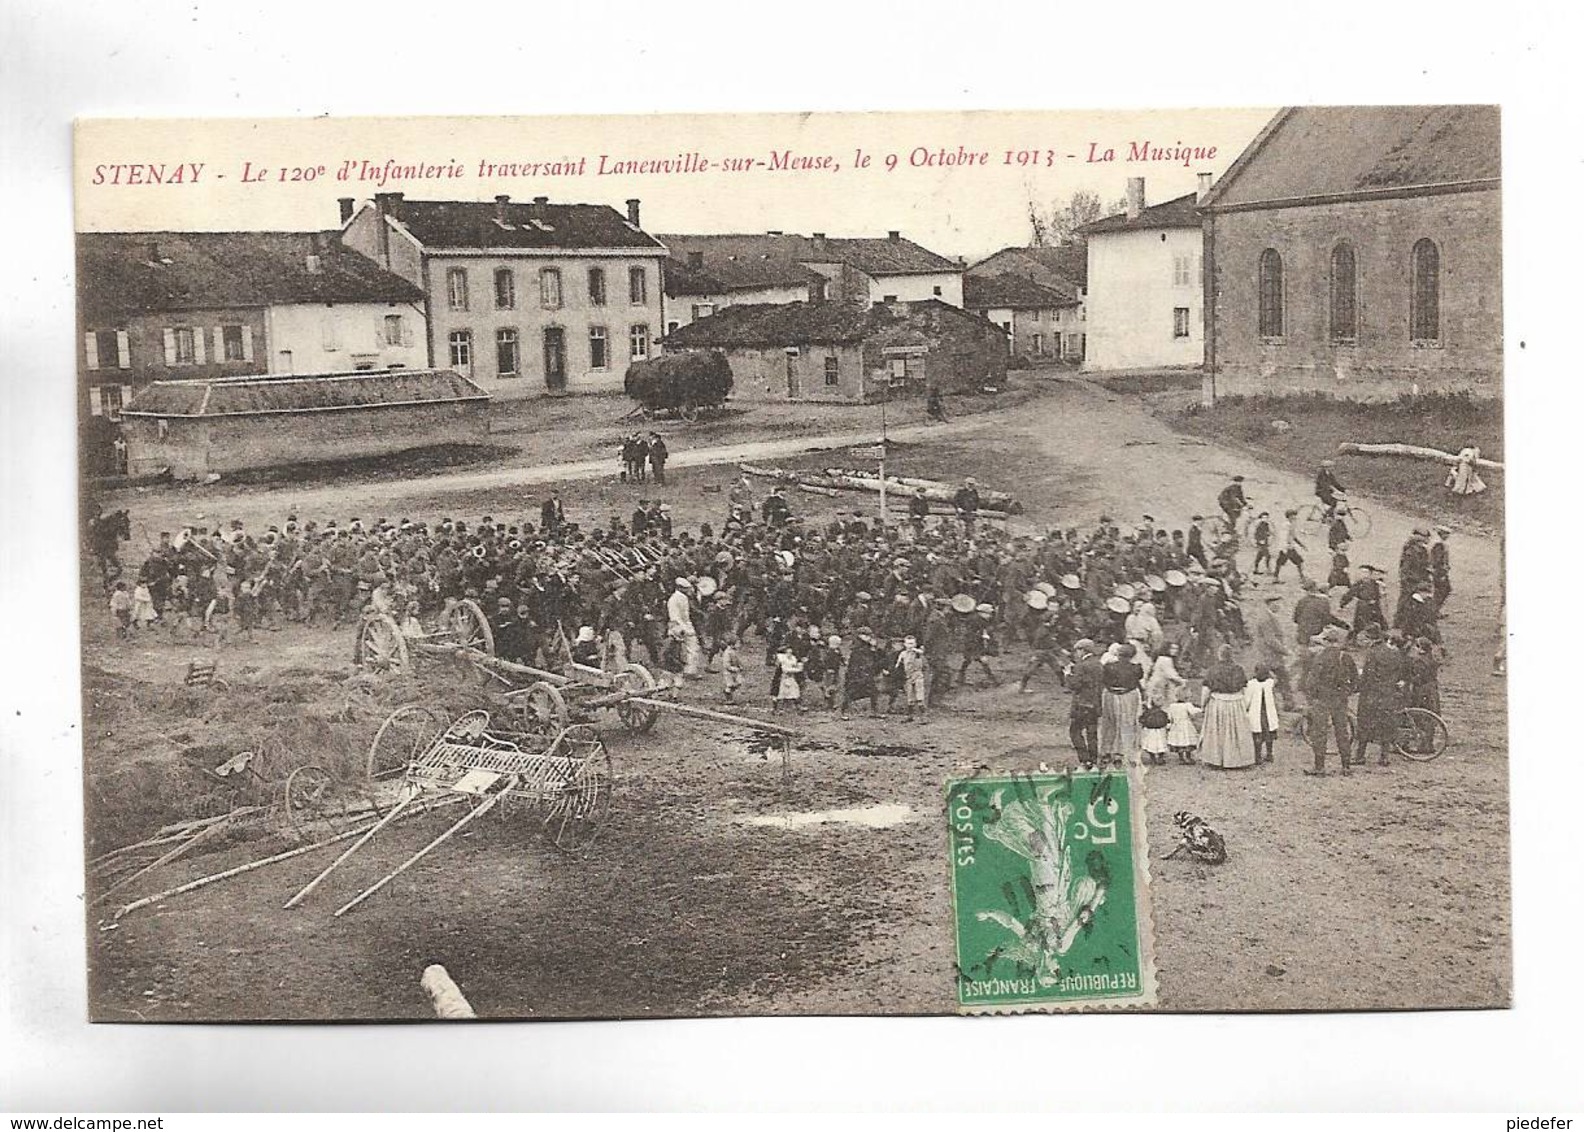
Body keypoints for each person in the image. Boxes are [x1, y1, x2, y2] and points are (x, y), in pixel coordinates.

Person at [1302, 626, 1357, 776]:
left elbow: (1312, 681)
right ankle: (1346, 767)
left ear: (1326, 642)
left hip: (1322, 699)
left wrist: (1312, 696)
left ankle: (1319, 767)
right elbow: (1354, 678)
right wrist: (1347, 691)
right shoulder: (1345, 657)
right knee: (1342, 732)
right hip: (1340, 699)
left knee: (1320, 733)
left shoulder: (1320, 657)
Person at [1354, 630, 1408, 767]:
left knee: (1365, 723)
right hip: (1388, 694)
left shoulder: (1373, 653)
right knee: (1386, 724)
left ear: (1370, 639)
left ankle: (1360, 756)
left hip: (1371, 694)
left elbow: (1368, 676)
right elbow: (1400, 672)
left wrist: (1356, 687)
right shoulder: (1395, 653)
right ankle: (1384, 757)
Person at [1198, 646, 1255, 769]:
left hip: (1218, 703)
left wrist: (1203, 705)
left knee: (1218, 731)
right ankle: (1237, 760)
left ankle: (1216, 759)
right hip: (1236, 702)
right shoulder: (1239, 669)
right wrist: (1245, 705)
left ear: (1219, 655)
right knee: (1235, 731)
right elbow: (1245, 689)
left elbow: (1206, 690)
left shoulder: (1213, 670)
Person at [1099, 642, 1144, 767]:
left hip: (1111, 694)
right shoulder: (1136, 668)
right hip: (1128, 695)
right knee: (1127, 723)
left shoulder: (1109, 666)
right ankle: (1122, 751)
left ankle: (1106, 751)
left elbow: (1104, 680)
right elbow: (1138, 680)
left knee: (1109, 723)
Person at [1067, 638, 1104, 769]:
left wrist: (1068, 675)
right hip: (1095, 703)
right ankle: (1093, 759)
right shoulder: (1098, 664)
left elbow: (1075, 685)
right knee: (1092, 733)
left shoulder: (1081, 666)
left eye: (1077, 650)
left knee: (1074, 731)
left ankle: (1084, 759)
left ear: (1083, 650)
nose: (1076, 653)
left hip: (1082, 704)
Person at [841, 627, 881, 719]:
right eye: (866, 635)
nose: (869, 637)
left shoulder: (867, 646)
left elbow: (874, 659)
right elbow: (858, 661)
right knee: (851, 692)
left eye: (869, 635)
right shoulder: (857, 647)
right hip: (856, 674)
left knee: (873, 691)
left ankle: (874, 711)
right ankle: (842, 711)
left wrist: (873, 648)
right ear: (860, 636)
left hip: (866, 672)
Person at [1245, 663, 1280, 764]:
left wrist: (1245, 709)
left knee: (1257, 735)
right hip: (1268, 713)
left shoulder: (1251, 684)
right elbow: (1275, 679)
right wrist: (1270, 674)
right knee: (1269, 734)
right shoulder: (1269, 682)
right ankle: (1269, 754)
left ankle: (1258, 757)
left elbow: (1247, 699)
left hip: (1257, 713)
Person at [895, 635, 929, 723]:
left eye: (912, 643)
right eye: (908, 644)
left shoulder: (917, 653)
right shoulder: (903, 654)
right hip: (908, 677)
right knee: (910, 698)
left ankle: (924, 717)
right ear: (905, 644)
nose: (910, 645)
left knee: (920, 697)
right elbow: (898, 664)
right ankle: (909, 716)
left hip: (918, 676)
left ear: (915, 644)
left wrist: (915, 650)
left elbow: (921, 652)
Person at [1166, 688, 1203, 764]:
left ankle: (1181, 758)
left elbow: (1170, 717)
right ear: (1187, 697)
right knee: (1187, 741)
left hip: (1176, 726)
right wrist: (1201, 709)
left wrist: (1170, 725)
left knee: (1178, 741)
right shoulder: (1187, 705)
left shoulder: (1172, 706)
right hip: (1185, 725)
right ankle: (1188, 757)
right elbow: (1193, 712)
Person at [1272, 509, 1306, 582]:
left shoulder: (1291, 525)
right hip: (1287, 547)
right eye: (1293, 516)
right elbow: (1284, 536)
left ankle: (1275, 577)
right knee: (1298, 561)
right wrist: (1285, 547)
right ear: (1289, 516)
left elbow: (1293, 536)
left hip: (1288, 547)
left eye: (1295, 516)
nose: (1294, 517)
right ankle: (1302, 577)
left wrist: (1301, 545)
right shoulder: (1286, 525)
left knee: (1281, 562)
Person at [772, 644, 804, 712]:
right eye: (788, 652)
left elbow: (797, 666)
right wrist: (797, 670)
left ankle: (797, 706)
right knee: (781, 693)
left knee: (795, 691)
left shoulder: (792, 658)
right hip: (783, 678)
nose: (789, 654)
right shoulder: (782, 660)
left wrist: (799, 666)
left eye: (791, 652)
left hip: (790, 677)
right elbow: (785, 670)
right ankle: (776, 708)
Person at [1430, 526, 1453, 612]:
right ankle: (1434, 610)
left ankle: (1435, 610)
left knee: (1442, 590)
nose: (1448, 536)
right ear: (1441, 534)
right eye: (1446, 534)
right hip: (1439, 572)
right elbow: (1437, 560)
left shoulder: (1441, 543)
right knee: (1443, 590)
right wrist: (1442, 570)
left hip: (1440, 571)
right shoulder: (1439, 544)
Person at [1140, 700, 1170, 766]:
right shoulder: (1163, 713)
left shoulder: (1147, 712)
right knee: (1161, 744)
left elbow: (1142, 720)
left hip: (1150, 731)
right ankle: (1160, 758)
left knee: (1150, 745)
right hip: (1161, 731)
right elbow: (1167, 721)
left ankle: (1153, 759)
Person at [719, 633, 743, 703]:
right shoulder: (727, 652)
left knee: (738, 683)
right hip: (728, 672)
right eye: (738, 643)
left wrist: (740, 666)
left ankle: (729, 694)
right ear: (732, 644)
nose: (739, 645)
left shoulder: (734, 652)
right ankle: (729, 698)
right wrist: (733, 668)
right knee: (730, 684)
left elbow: (737, 660)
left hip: (735, 672)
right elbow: (726, 665)